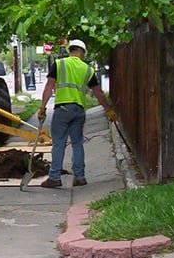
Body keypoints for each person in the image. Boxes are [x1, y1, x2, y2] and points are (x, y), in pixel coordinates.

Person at [36, 38, 118, 188]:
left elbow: (49, 86)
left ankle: (54, 177)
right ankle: (79, 177)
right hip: (79, 110)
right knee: (77, 143)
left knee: (59, 143)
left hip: (62, 109)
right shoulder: (87, 69)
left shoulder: (60, 64)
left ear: (70, 50)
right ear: (82, 53)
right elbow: (98, 92)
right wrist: (108, 110)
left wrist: (42, 107)